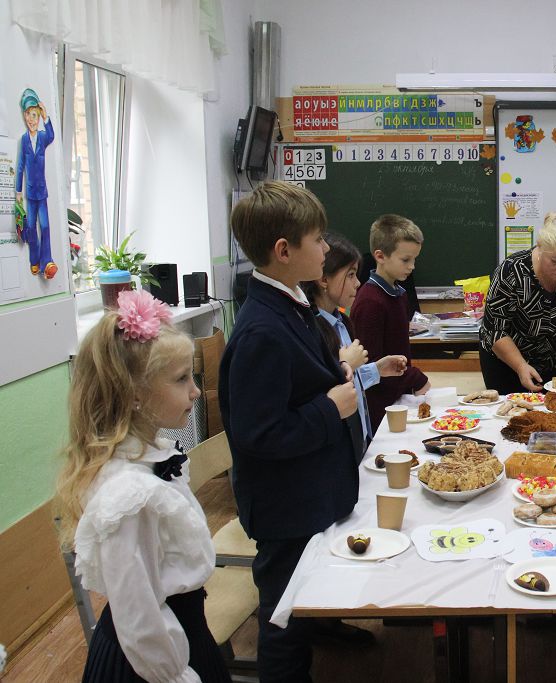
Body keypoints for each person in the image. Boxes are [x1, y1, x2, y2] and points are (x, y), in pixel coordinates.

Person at [219, 180, 360, 682]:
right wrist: (330, 408)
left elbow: (298, 382)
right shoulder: (261, 329)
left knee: (302, 605)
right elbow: (259, 434)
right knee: (284, 621)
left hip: (310, 494)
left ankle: (325, 628)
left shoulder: (292, 303)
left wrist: (334, 376)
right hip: (286, 507)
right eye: (317, 240)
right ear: (284, 251)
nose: (325, 248)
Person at [55, 289, 229, 683]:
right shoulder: (129, 496)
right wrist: (175, 674)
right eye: (181, 379)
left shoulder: (151, 459)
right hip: (152, 661)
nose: (195, 391)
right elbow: (138, 612)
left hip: (182, 634)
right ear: (135, 394)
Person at [300, 233, 408, 450]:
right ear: (324, 280)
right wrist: (345, 364)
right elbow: (324, 391)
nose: (357, 283)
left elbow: (351, 383)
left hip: (360, 438)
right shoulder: (310, 330)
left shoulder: (341, 322)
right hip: (336, 445)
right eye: (350, 275)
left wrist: (376, 370)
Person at [479, 211, 556, 394]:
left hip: (552, 361)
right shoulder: (511, 271)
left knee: (552, 409)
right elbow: (495, 330)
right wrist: (521, 366)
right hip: (505, 363)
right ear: (540, 248)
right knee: (512, 409)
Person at [350, 214, 430, 428]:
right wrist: (414, 378)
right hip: (380, 408)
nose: (412, 266)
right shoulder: (370, 302)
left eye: (414, 259)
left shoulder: (398, 294)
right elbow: (371, 365)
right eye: (406, 260)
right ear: (380, 256)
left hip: (398, 399)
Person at [15, 88, 58, 279]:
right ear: (25, 116)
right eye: (29, 115)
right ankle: (35, 260)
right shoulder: (24, 140)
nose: (32, 120)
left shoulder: (42, 137)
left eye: (35, 116)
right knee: (32, 227)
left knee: (45, 226)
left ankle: (47, 261)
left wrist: (46, 116)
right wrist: (18, 191)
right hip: (30, 193)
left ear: (39, 117)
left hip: (42, 192)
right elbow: (20, 167)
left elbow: (51, 136)